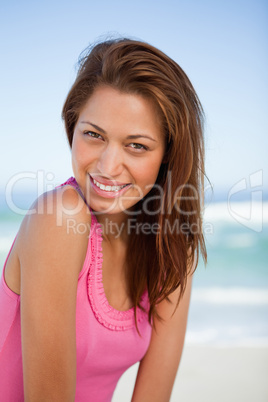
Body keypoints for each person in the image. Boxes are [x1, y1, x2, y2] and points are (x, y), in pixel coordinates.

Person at [0, 38, 206, 401]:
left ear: (168, 156)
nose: (107, 168)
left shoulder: (172, 245)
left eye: (136, 145)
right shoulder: (59, 217)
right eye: (94, 135)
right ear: (72, 128)